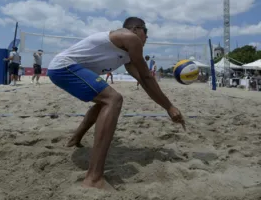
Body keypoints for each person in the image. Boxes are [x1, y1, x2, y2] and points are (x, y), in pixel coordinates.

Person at [47, 17, 185, 190]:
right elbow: (148, 77)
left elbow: (144, 81)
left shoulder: (126, 56)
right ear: (135, 29)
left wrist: (168, 107)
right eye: (145, 31)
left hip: (61, 69)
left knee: (103, 103)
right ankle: (94, 179)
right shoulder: (130, 38)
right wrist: (170, 107)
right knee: (113, 99)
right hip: (64, 67)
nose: (147, 37)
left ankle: (75, 139)